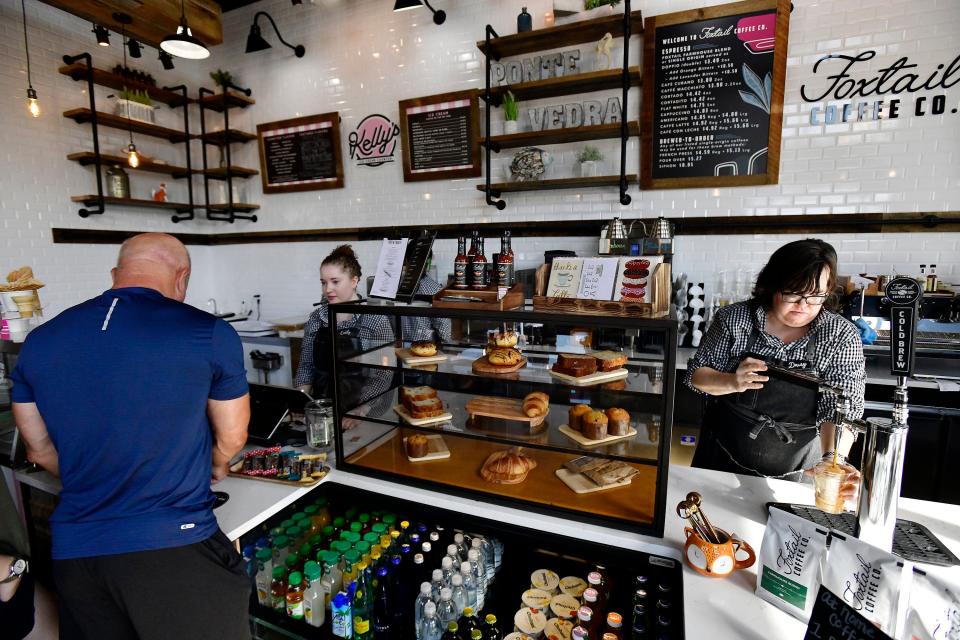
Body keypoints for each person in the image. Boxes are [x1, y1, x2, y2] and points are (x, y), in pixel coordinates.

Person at [10, 233, 251, 640]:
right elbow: (233, 434)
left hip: (77, 555)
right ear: (182, 277)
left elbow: (38, 448)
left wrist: (96, 478)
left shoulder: (38, 342)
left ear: (114, 275)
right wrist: (216, 462)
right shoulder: (206, 331)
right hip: (174, 547)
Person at [686, 239, 865, 487]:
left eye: (815, 296)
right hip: (720, 463)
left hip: (800, 473)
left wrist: (832, 460)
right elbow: (697, 375)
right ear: (772, 285)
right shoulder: (734, 319)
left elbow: (843, 408)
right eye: (793, 293)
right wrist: (732, 381)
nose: (803, 306)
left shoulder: (840, 335)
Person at [295, 245, 395, 423]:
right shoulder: (316, 319)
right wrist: (301, 402)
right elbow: (306, 366)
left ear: (354, 281)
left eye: (335, 281)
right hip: (324, 408)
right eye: (323, 282)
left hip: (366, 412)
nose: (328, 289)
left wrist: (361, 409)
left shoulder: (375, 320)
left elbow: (384, 374)